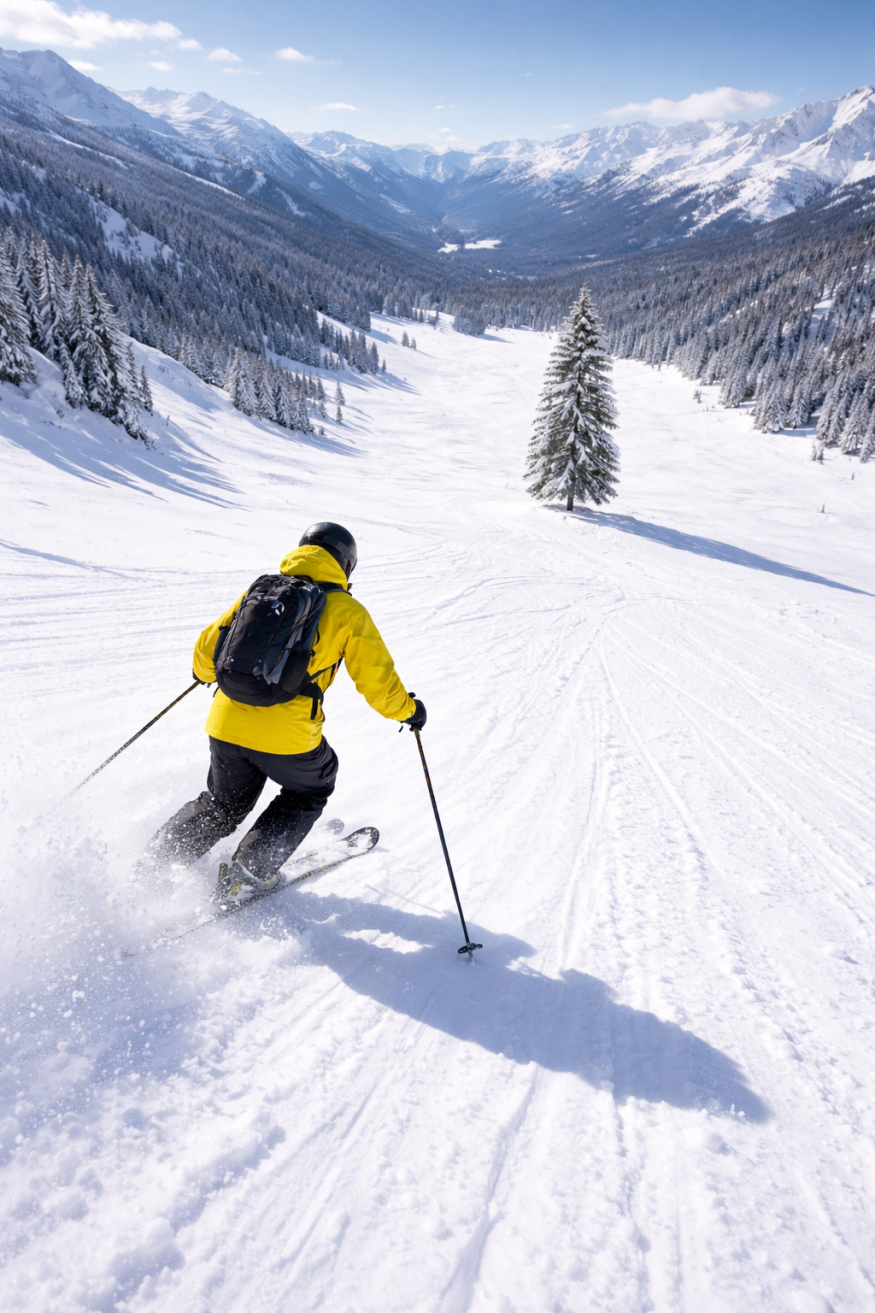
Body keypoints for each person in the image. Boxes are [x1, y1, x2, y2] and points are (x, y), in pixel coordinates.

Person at [137, 522, 426, 896]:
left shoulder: (261, 592)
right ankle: (247, 873)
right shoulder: (348, 610)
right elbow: (377, 681)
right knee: (311, 787)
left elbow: (206, 652)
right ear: (345, 564)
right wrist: (408, 711)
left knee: (222, 805)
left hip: (225, 723)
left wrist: (204, 673)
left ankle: (153, 866)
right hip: (287, 737)